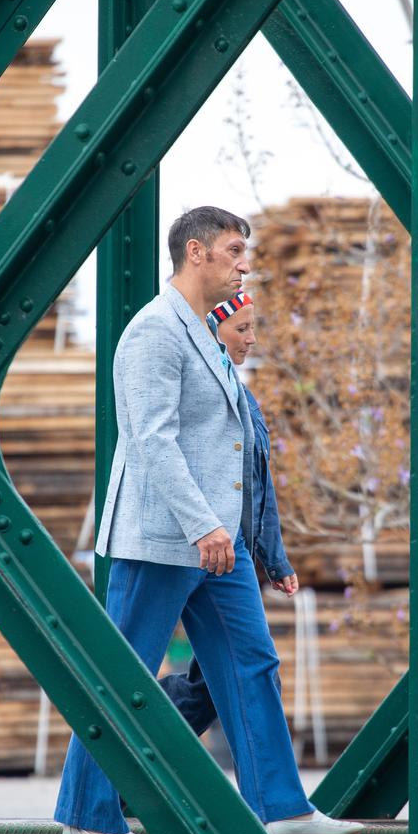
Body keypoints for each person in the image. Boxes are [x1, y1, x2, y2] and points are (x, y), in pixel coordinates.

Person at [55, 206, 359, 834]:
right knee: (125, 676)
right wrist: (203, 526)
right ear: (195, 253)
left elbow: (236, 445)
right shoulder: (155, 332)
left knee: (252, 662)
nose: (244, 263)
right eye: (232, 250)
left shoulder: (206, 332)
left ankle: (282, 809)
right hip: (165, 540)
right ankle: (85, 818)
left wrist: (257, 545)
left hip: (220, 546)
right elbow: (150, 441)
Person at [158, 291, 297, 738]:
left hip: (227, 556)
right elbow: (154, 450)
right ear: (210, 334)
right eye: (242, 328)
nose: (252, 339)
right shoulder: (189, 388)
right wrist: (202, 527)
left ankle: (274, 800)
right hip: (181, 546)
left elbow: (257, 485)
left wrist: (273, 558)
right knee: (131, 676)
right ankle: (116, 766)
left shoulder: (244, 400)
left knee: (242, 673)